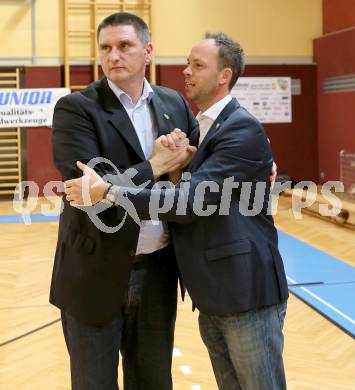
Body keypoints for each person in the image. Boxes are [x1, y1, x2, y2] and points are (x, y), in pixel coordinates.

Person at [65, 32, 289, 390]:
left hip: (246, 291)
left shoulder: (241, 128)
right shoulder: (202, 128)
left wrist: (108, 191)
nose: (186, 71)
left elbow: (187, 202)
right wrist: (174, 167)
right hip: (214, 293)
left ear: (224, 75)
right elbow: (192, 186)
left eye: (197, 65)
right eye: (187, 63)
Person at [50, 12, 197, 390]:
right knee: (93, 383)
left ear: (147, 51)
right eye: (106, 48)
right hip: (92, 272)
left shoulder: (174, 104)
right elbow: (86, 193)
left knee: (153, 382)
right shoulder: (77, 108)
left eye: (124, 46)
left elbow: (200, 167)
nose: (113, 55)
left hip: (157, 273)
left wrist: (259, 163)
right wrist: (155, 165)